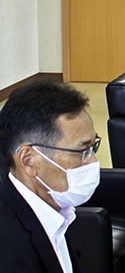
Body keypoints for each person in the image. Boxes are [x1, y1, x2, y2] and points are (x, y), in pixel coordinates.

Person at [0, 81, 102, 273]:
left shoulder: (54, 209)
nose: (93, 162)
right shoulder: (8, 251)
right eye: (82, 151)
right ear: (29, 161)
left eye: (93, 147)